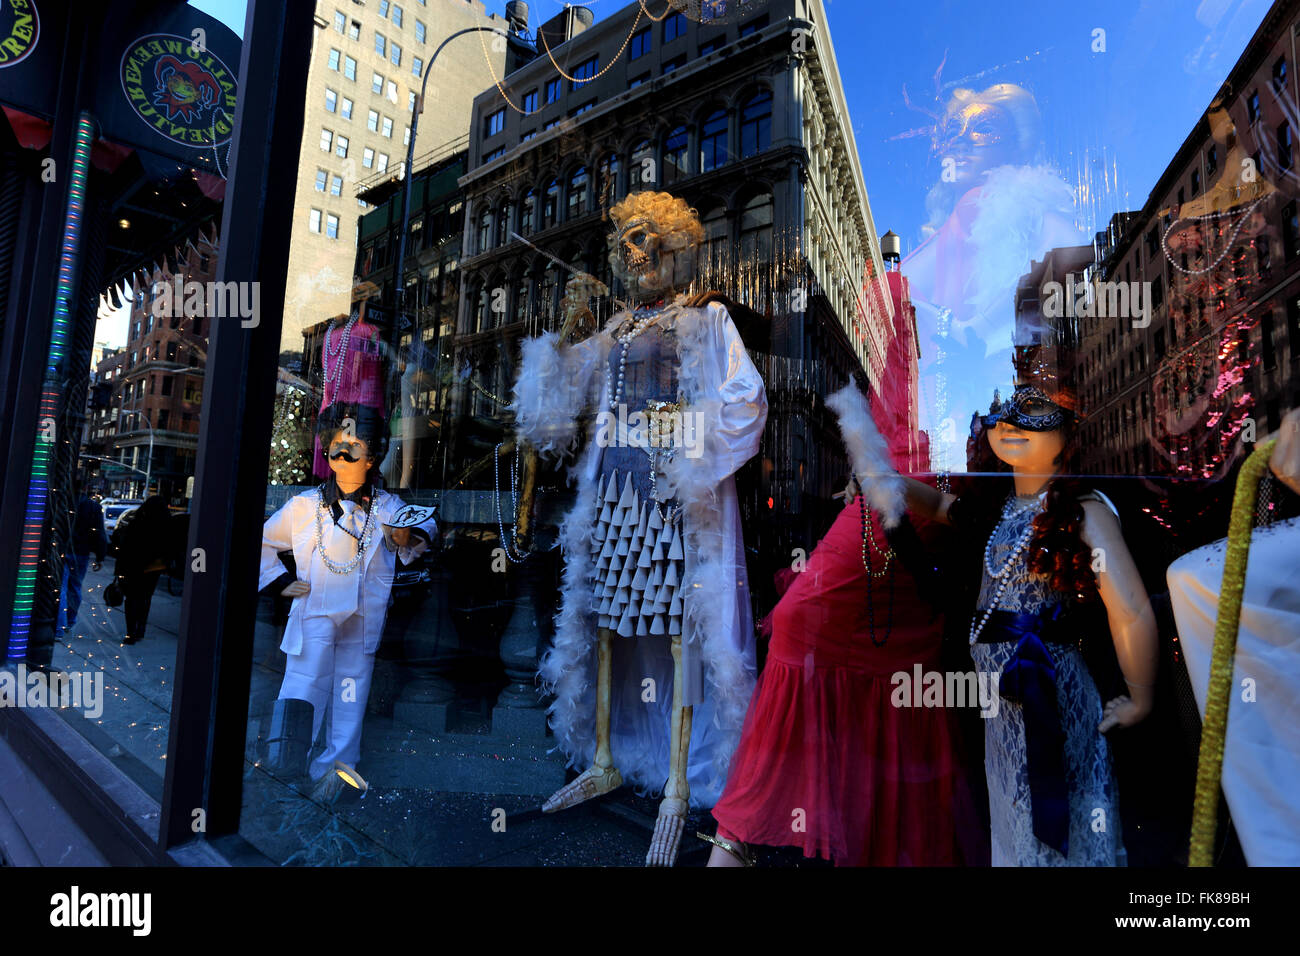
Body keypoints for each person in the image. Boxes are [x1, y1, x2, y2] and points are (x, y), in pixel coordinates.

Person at [872, 381, 1159, 866]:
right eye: (1002, 416)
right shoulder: (999, 511)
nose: (1009, 424)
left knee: (1066, 811)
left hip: (1055, 694)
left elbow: (1129, 609)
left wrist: (1140, 695)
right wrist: (886, 481)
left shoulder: (1081, 512)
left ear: (1070, 433)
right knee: (1012, 818)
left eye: (1033, 413)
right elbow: (941, 506)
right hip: (1000, 712)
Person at [701, 385, 986, 867]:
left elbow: (953, 510)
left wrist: (890, 482)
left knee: (887, 700)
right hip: (874, 546)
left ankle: (761, 844)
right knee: (798, 648)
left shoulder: (968, 423)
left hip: (908, 572)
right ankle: (735, 841)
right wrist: (875, 477)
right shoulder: (922, 389)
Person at [259, 404, 426, 800]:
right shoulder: (303, 507)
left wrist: (408, 537)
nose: (343, 453)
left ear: (373, 456)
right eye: (336, 444)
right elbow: (262, 541)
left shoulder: (388, 509)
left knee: (352, 688)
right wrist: (282, 582)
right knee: (303, 684)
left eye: (353, 445)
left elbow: (423, 529)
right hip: (314, 612)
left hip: (362, 616)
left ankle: (338, 771)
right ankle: (287, 763)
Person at [111, 495, 172, 646]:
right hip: (152, 568)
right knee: (145, 598)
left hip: (133, 566)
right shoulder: (164, 526)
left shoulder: (136, 522)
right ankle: (140, 628)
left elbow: (124, 547)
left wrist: (119, 570)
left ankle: (131, 632)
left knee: (131, 599)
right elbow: (168, 548)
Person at [59, 481, 107, 632]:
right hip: (81, 553)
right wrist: (100, 556)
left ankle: (60, 626)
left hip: (64, 550)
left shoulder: (64, 503)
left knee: (61, 588)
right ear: (86, 488)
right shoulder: (93, 507)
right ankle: (69, 621)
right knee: (75, 587)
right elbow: (99, 533)